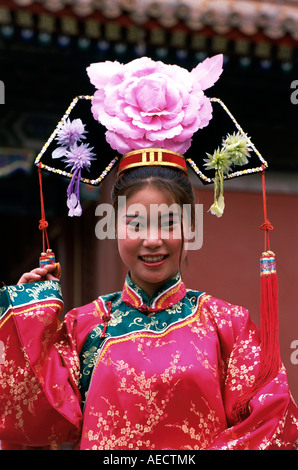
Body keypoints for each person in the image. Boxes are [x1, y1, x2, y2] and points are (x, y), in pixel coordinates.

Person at [1, 54, 298, 450]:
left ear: (189, 228)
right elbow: (33, 428)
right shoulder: (83, 327)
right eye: (136, 223)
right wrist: (32, 319)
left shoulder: (229, 326)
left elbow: (274, 423)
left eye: (168, 223)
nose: (152, 240)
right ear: (113, 226)